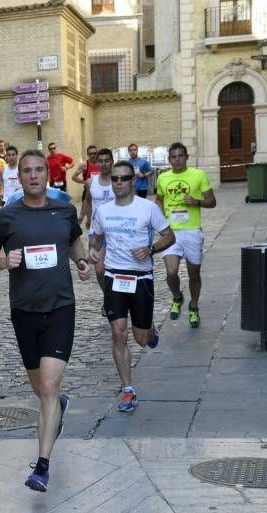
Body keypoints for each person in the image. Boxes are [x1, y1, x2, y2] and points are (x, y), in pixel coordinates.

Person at [0, 150, 91, 493]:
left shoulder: (65, 210)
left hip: (60, 308)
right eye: (27, 171)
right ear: (19, 177)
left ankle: (41, 466)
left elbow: (73, 241)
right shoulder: (7, 217)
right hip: (23, 311)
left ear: (48, 174)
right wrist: (1, 263)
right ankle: (57, 406)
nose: (34, 175)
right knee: (41, 389)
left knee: (50, 387)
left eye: (39, 169)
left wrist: (82, 262)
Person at [89, 161, 175, 412]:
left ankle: (149, 328)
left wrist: (150, 249)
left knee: (141, 339)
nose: (118, 183)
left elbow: (169, 236)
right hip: (115, 277)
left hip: (141, 279)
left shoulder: (148, 208)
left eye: (123, 178)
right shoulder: (103, 211)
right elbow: (96, 236)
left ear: (133, 180)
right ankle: (128, 390)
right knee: (118, 333)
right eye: (114, 178)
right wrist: (94, 251)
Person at [156, 142, 216, 328]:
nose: (177, 160)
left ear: (186, 157)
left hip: (192, 231)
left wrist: (196, 201)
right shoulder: (163, 178)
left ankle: (194, 307)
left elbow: (212, 201)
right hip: (171, 232)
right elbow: (159, 199)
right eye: (173, 157)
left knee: (194, 273)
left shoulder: (199, 175)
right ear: (169, 159)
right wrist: (158, 214)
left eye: (180, 156)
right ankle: (177, 296)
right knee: (171, 272)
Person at [86, 148, 116, 297]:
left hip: (116, 231)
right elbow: (87, 201)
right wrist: (84, 218)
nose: (104, 164)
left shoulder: (119, 181)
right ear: (97, 163)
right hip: (97, 232)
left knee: (118, 268)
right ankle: (108, 297)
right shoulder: (90, 182)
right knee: (99, 270)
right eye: (101, 161)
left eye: (107, 161)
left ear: (112, 161)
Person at [72, 145, 101, 229]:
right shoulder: (85, 164)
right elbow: (74, 177)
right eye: (91, 153)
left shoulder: (100, 163)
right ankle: (90, 234)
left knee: (99, 217)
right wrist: (85, 182)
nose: (93, 155)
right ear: (88, 154)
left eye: (95, 153)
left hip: (100, 194)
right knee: (90, 218)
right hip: (88, 194)